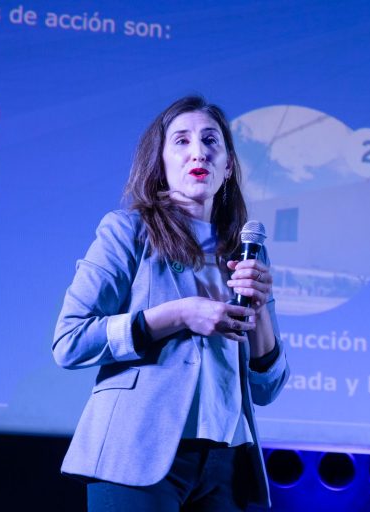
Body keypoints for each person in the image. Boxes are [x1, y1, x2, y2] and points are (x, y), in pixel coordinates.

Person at [52, 96, 290, 511]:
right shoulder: (127, 232)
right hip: (136, 451)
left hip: (226, 464)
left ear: (228, 166)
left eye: (211, 140)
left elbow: (266, 389)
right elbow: (70, 341)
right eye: (181, 141)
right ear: (160, 164)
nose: (199, 152)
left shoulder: (247, 252)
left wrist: (260, 310)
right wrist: (179, 314)